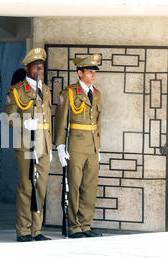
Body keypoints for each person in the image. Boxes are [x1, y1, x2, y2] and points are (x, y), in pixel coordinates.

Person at [4, 48, 52, 242]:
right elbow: (7, 116)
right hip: (26, 144)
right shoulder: (16, 90)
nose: (39, 69)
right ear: (27, 68)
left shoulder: (46, 89)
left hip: (44, 145)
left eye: (41, 66)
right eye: (36, 66)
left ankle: (36, 230)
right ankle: (23, 230)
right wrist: (23, 123)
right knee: (26, 187)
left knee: (40, 187)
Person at [54, 54, 103, 238]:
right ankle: (73, 226)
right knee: (73, 186)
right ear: (79, 73)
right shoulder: (69, 93)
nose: (93, 75)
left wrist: (98, 147)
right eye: (90, 72)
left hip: (91, 146)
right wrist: (60, 146)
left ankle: (85, 224)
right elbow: (60, 121)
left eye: (94, 72)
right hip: (74, 145)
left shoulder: (97, 94)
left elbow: (99, 122)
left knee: (89, 187)